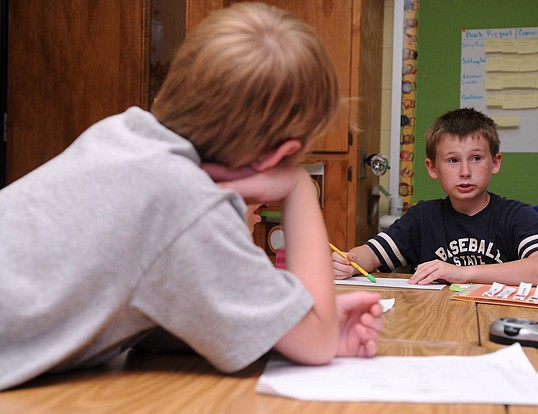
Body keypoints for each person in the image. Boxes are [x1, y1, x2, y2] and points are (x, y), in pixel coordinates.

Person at [0, 2, 383, 391]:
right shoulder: (189, 204)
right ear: (278, 154)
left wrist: (279, 320)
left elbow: (147, 305)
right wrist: (298, 186)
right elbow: (316, 344)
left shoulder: (120, 133)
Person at [333, 108, 538, 286]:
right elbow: (370, 255)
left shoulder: (516, 215)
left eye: (476, 158)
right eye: (453, 160)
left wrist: (462, 273)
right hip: (436, 321)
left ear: (495, 162)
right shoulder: (423, 217)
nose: (465, 172)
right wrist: (349, 261)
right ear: (432, 168)